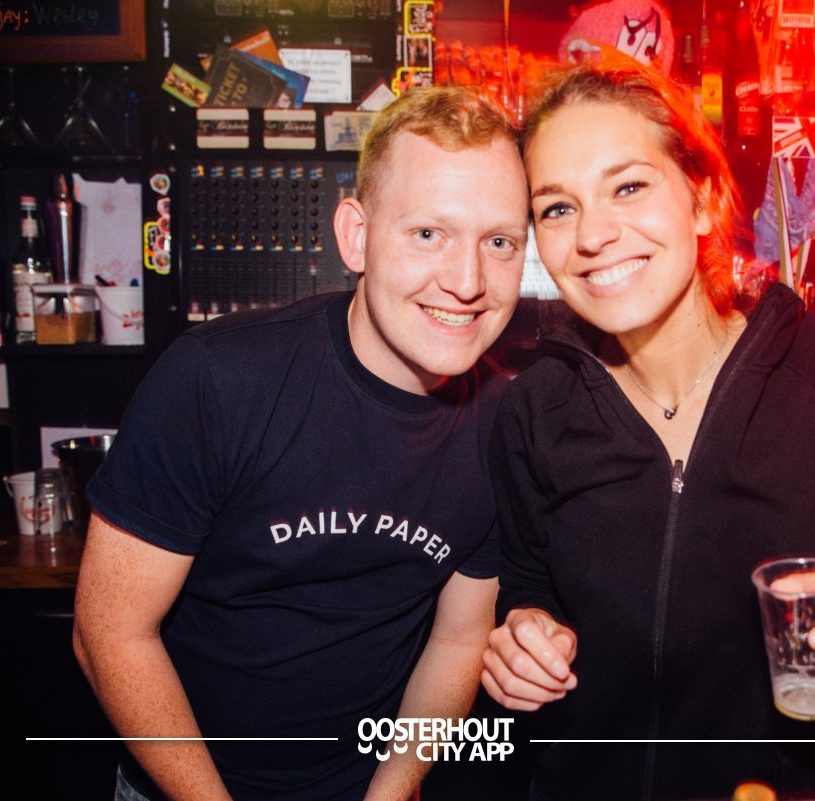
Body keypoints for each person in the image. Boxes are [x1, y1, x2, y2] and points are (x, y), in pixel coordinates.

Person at [479, 58, 815, 800]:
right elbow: (525, 581)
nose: (594, 234)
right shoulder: (534, 406)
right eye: (557, 208)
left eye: (629, 187)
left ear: (704, 200)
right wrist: (524, 631)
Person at [72, 86, 530, 801]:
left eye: (498, 242)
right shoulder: (217, 380)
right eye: (428, 233)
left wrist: (391, 791)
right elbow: (110, 634)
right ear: (356, 236)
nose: (467, 281)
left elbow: (459, 639)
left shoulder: (504, 421)